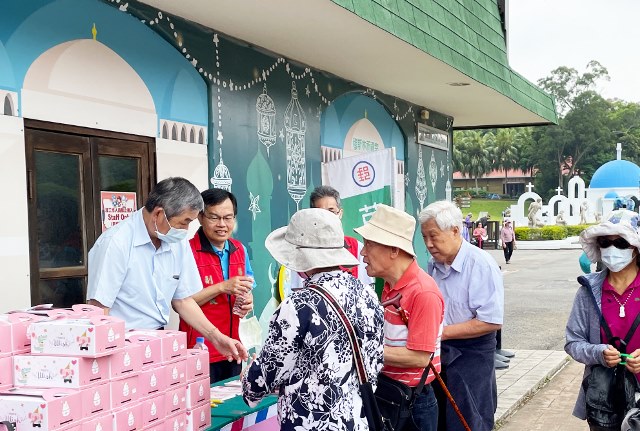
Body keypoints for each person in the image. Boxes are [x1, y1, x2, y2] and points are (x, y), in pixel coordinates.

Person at [242, 209, 384, 431]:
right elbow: (375, 360)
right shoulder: (367, 294)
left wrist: (248, 380)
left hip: (309, 423)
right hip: (357, 420)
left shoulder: (298, 304)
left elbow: (266, 374)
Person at [87, 177, 247, 363]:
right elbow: (99, 309)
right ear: (159, 214)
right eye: (184, 222)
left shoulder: (176, 242)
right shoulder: (116, 243)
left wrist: (217, 338)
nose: (186, 230)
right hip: (121, 346)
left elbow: (184, 301)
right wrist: (107, 359)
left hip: (158, 342)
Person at [355, 204, 444, 431]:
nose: (363, 252)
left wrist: (361, 352)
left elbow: (420, 358)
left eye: (370, 244)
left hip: (412, 403)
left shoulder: (423, 292)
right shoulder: (389, 286)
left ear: (394, 250)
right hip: (390, 393)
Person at [420, 200, 504, 431]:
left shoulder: (480, 264)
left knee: (469, 420)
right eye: (424, 237)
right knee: (441, 418)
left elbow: (491, 320)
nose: (428, 244)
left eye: (433, 236)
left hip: (472, 355)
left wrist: (440, 333)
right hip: (440, 352)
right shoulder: (433, 264)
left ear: (455, 231)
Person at [565, 209, 640, 429]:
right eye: (605, 243)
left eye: (621, 243)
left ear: (635, 248)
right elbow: (572, 342)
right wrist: (598, 354)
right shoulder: (587, 292)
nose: (612, 249)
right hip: (604, 402)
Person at [179, 188, 255, 382]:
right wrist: (222, 287)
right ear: (200, 217)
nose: (222, 224)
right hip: (199, 348)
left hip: (232, 348)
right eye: (214, 217)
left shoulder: (240, 249)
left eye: (228, 218)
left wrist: (247, 301)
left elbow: (247, 288)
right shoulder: (187, 251)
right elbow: (181, 301)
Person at [309, 185, 374, 286]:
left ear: (340, 213)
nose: (327, 217)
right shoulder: (304, 249)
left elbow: (366, 288)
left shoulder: (357, 248)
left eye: (331, 211)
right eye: (321, 212)